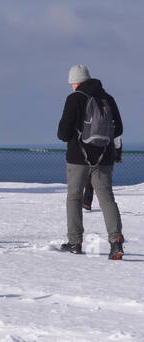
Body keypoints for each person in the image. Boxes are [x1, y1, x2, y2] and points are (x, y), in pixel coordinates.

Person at [57, 65, 124, 259]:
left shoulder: (74, 99)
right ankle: (116, 242)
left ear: (75, 82)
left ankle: (75, 242)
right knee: (107, 199)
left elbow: (63, 133)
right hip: (104, 157)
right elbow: (118, 129)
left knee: (74, 197)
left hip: (78, 157)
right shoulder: (108, 98)